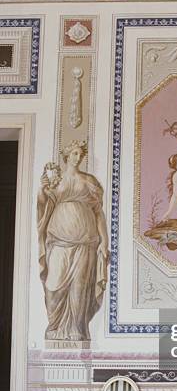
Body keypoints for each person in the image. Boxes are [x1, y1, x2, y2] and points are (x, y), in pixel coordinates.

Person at [37, 140, 109, 342]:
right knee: (53, 284)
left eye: (80, 154)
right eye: (74, 153)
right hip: (58, 240)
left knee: (80, 285)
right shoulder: (55, 181)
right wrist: (42, 192)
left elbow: (98, 214)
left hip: (86, 242)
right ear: (67, 156)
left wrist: (104, 241)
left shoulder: (89, 181)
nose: (78, 158)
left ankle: (78, 327)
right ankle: (54, 324)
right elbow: (43, 207)